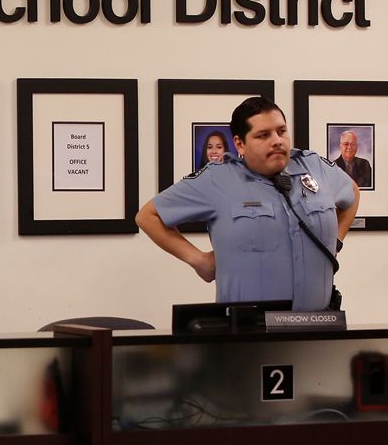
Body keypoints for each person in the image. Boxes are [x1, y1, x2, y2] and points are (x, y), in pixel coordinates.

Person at [135, 97, 360, 311]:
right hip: (249, 332)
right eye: (263, 135)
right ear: (240, 144)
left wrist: (335, 242)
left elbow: (352, 192)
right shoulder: (217, 179)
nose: (277, 141)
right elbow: (148, 216)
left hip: (318, 324)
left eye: (281, 131)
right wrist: (199, 260)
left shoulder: (313, 167)